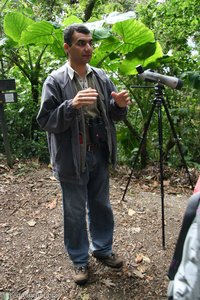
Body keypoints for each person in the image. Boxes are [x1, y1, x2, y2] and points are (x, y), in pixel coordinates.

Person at [36, 24, 131, 285]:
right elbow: (45, 121)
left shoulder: (100, 77)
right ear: (67, 47)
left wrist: (119, 106)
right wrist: (71, 105)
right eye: (80, 43)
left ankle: (102, 249)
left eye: (89, 42)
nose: (88, 47)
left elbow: (111, 114)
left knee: (101, 205)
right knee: (75, 211)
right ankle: (80, 260)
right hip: (71, 157)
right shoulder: (55, 81)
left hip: (99, 151)